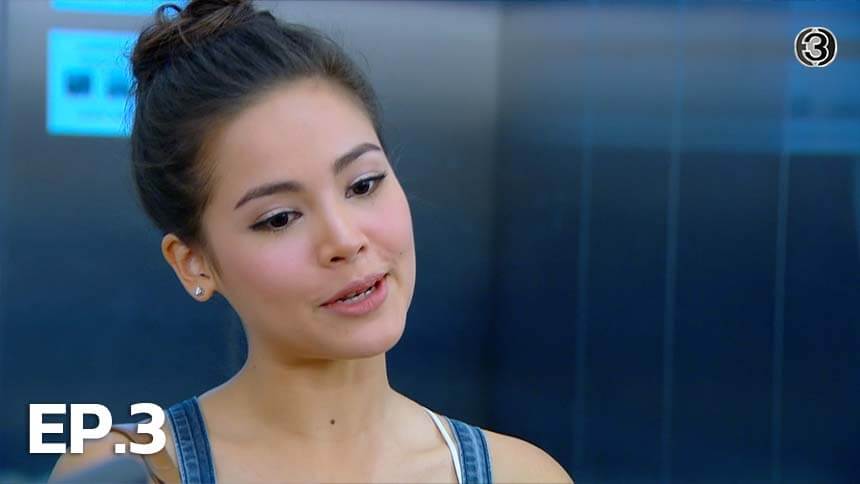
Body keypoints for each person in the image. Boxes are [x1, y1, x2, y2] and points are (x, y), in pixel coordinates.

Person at [49, 0, 573, 482]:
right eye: (279, 218)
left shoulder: (522, 475)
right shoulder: (130, 469)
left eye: (363, 185)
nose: (344, 240)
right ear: (193, 263)